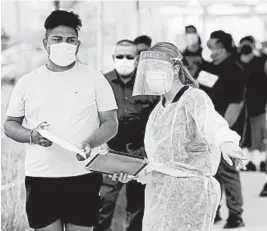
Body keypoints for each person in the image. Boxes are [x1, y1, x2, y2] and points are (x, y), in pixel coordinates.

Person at [108, 42, 246, 231]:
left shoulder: (193, 98)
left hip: (190, 199)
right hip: (158, 198)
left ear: (174, 68)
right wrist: (134, 173)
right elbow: (162, 162)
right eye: (147, 70)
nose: (151, 74)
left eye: (157, 68)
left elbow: (212, 123)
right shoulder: (158, 110)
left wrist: (227, 143)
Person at [3, 10, 118, 231]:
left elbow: (111, 123)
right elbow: (9, 125)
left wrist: (90, 143)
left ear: (78, 44)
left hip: (83, 175)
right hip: (41, 178)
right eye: (57, 39)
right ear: (46, 43)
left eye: (70, 40)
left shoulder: (94, 78)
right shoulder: (28, 82)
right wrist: (31, 136)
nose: (64, 45)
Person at [96, 39, 158, 231]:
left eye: (129, 57)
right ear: (113, 58)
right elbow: (89, 116)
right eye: (120, 56)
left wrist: (151, 153)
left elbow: (158, 122)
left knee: (138, 204)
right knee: (103, 203)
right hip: (109, 153)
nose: (124, 60)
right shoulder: (101, 83)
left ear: (137, 59)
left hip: (140, 154)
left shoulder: (149, 86)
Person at [198, 30, 246, 228]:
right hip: (207, 126)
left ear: (223, 49)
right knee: (211, 169)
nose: (210, 51)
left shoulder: (234, 70)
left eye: (213, 48)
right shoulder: (208, 67)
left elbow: (236, 104)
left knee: (228, 169)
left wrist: (221, 133)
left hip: (227, 127)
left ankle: (236, 215)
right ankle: (214, 210)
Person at [238, 36, 267, 173]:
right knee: (246, 136)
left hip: (259, 105)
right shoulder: (235, 62)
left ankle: (261, 161)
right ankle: (247, 162)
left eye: (248, 45)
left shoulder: (261, 61)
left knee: (260, 136)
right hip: (241, 108)